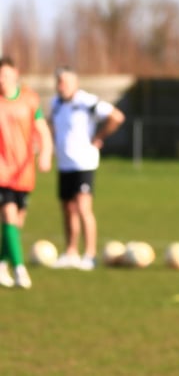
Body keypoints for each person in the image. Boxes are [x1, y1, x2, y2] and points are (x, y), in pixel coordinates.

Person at [50, 66, 125, 270]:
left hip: (83, 163)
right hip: (64, 164)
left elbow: (117, 117)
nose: (61, 86)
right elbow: (52, 126)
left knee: (83, 208)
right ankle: (71, 252)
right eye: (58, 81)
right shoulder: (55, 103)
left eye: (64, 81)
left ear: (75, 83)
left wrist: (99, 137)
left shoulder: (86, 101)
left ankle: (90, 254)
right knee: (67, 209)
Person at [0, 56, 53, 289]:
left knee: (16, 223)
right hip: (2, 171)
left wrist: (46, 154)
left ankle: (2, 265)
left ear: (16, 74)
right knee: (9, 216)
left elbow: (42, 130)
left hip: (24, 172)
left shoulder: (30, 99)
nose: (2, 80)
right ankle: (20, 271)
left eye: (6, 75)